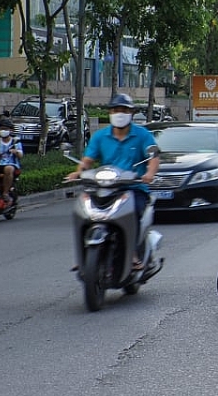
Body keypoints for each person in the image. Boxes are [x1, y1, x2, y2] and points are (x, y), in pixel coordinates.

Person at [66, 93, 159, 271]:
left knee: (136, 211)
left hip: (133, 188)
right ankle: (82, 254)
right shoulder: (100, 137)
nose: (120, 113)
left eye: (124, 110)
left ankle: (133, 253)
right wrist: (78, 172)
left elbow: (153, 158)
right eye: (116, 110)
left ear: (131, 113)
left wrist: (149, 173)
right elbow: (87, 161)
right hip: (104, 188)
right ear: (110, 113)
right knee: (82, 212)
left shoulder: (142, 135)